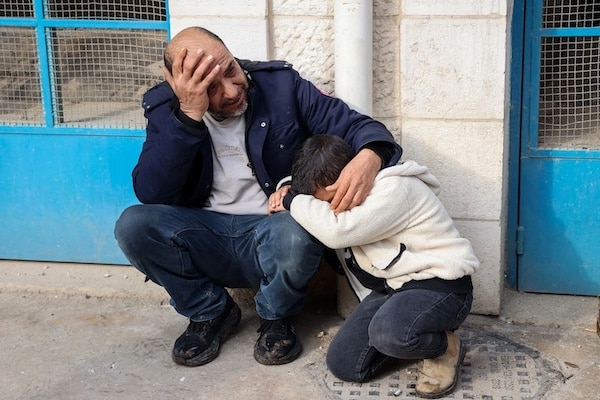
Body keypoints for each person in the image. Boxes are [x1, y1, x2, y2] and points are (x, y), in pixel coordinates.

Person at [114, 26, 402, 367]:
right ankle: (211, 313)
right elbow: (152, 191)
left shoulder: (279, 86)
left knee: (296, 229)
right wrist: (188, 118)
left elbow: (357, 126)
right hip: (206, 234)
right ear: (183, 89)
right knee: (133, 226)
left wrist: (371, 156)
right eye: (212, 88)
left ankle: (277, 318)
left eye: (231, 70)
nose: (233, 90)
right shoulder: (166, 108)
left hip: (275, 231)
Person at [268, 135, 478, 398]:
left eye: (330, 200)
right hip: (395, 287)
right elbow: (313, 200)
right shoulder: (339, 193)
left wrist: (290, 201)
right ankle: (409, 336)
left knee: (389, 333)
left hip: (442, 288)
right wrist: (288, 187)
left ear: (350, 178)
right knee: (345, 364)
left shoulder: (394, 190)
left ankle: (445, 347)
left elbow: (336, 232)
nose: (329, 208)